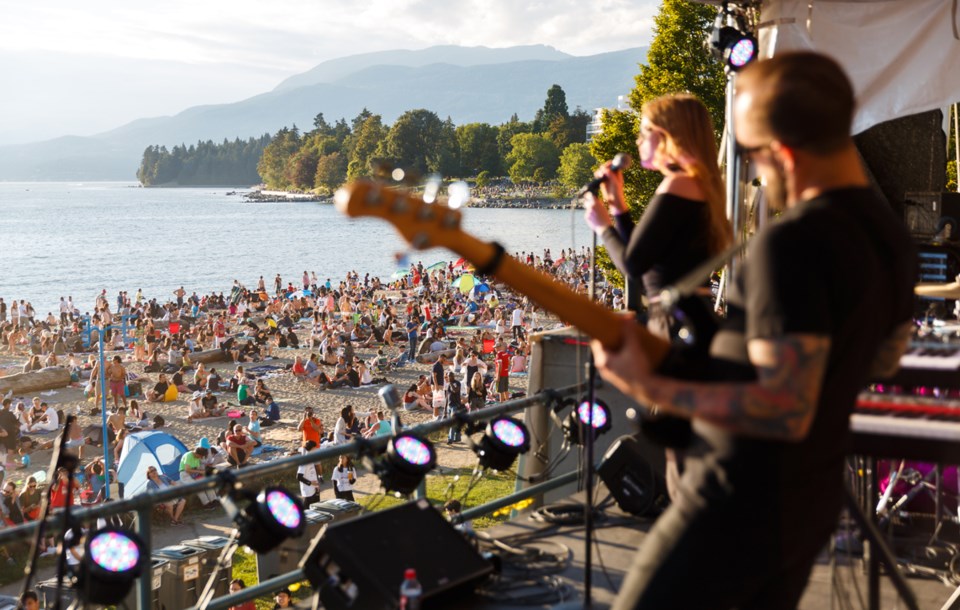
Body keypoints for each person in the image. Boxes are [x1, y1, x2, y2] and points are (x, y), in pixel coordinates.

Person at [591, 52, 916, 610]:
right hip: (809, 500)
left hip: (735, 504)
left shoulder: (790, 245)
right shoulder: (894, 237)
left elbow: (782, 408)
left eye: (755, 160)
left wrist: (650, 386)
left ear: (782, 153)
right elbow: (883, 360)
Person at [584, 91, 734, 496]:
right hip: (689, 316)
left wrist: (602, 227)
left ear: (667, 136)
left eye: (644, 131)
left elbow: (632, 266)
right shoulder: (699, 184)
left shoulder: (678, 184)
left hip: (675, 322)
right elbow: (649, 260)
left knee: (680, 457)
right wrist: (618, 208)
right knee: (683, 449)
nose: (637, 140)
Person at [296, 440, 323, 506]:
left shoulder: (310, 459)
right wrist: (310, 483)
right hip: (308, 493)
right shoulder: (304, 461)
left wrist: (316, 485)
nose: (316, 449)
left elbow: (312, 473)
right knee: (307, 512)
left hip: (314, 490)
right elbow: (299, 477)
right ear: (312, 448)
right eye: (315, 448)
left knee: (316, 509)